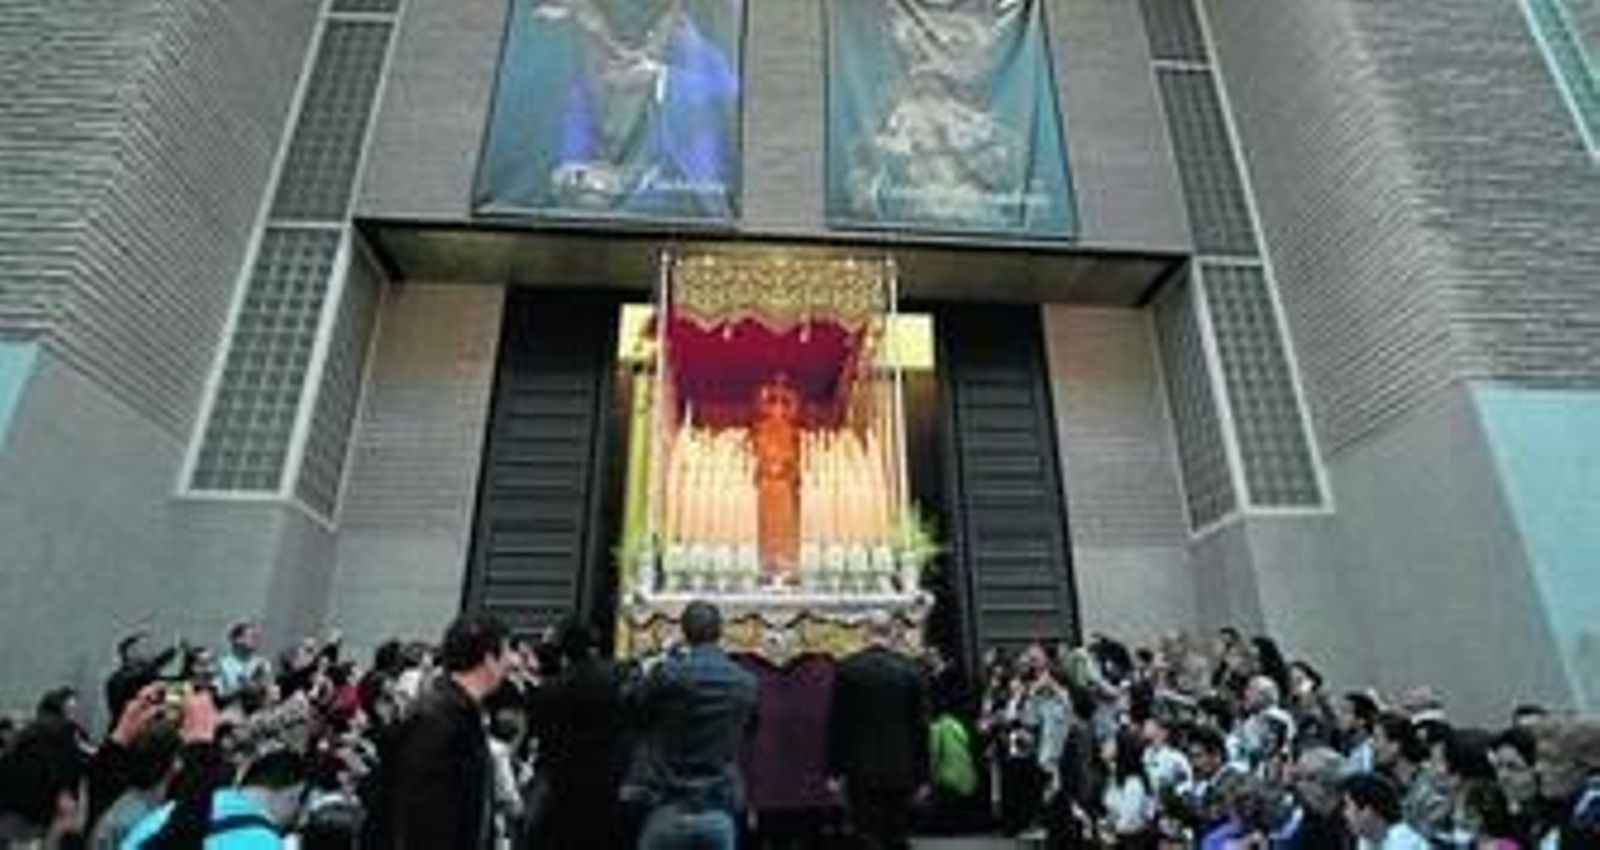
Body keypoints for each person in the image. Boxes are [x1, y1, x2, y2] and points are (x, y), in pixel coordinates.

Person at [372, 613, 512, 849]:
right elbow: (422, 817)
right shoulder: (439, 719)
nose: (513, 661)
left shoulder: (456, 713)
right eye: (508, 652)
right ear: (489, 658)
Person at [629, 600, 760, 850]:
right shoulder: (746, 681)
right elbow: (751, 729)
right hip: (719, 806)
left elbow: (635, 710)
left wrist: (648, 668)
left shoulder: (669, 674)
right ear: (720, 632)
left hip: (670, 803)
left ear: (684, 631)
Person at [826, 613, 930, 850]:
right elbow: (920, 728)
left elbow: (837, 724)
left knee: (866, 835)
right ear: (891, 632)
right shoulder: (910, 670)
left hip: (859, 769)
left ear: (865, 631)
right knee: (897, 835)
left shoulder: (847, 669)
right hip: (901, 768)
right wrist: (924, 777)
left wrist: (832, 771)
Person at [527, 619, 632, 849]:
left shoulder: (550, 690)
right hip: (609, 789)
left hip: (564, 792)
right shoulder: (617, 681)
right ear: (593, 646)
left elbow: (543, 739)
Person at [1343, 772, 1428, 849]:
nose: (1345, 814)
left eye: (1348, 806)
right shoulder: (1366, 840)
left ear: (1367, 811)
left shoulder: (1404, 843)